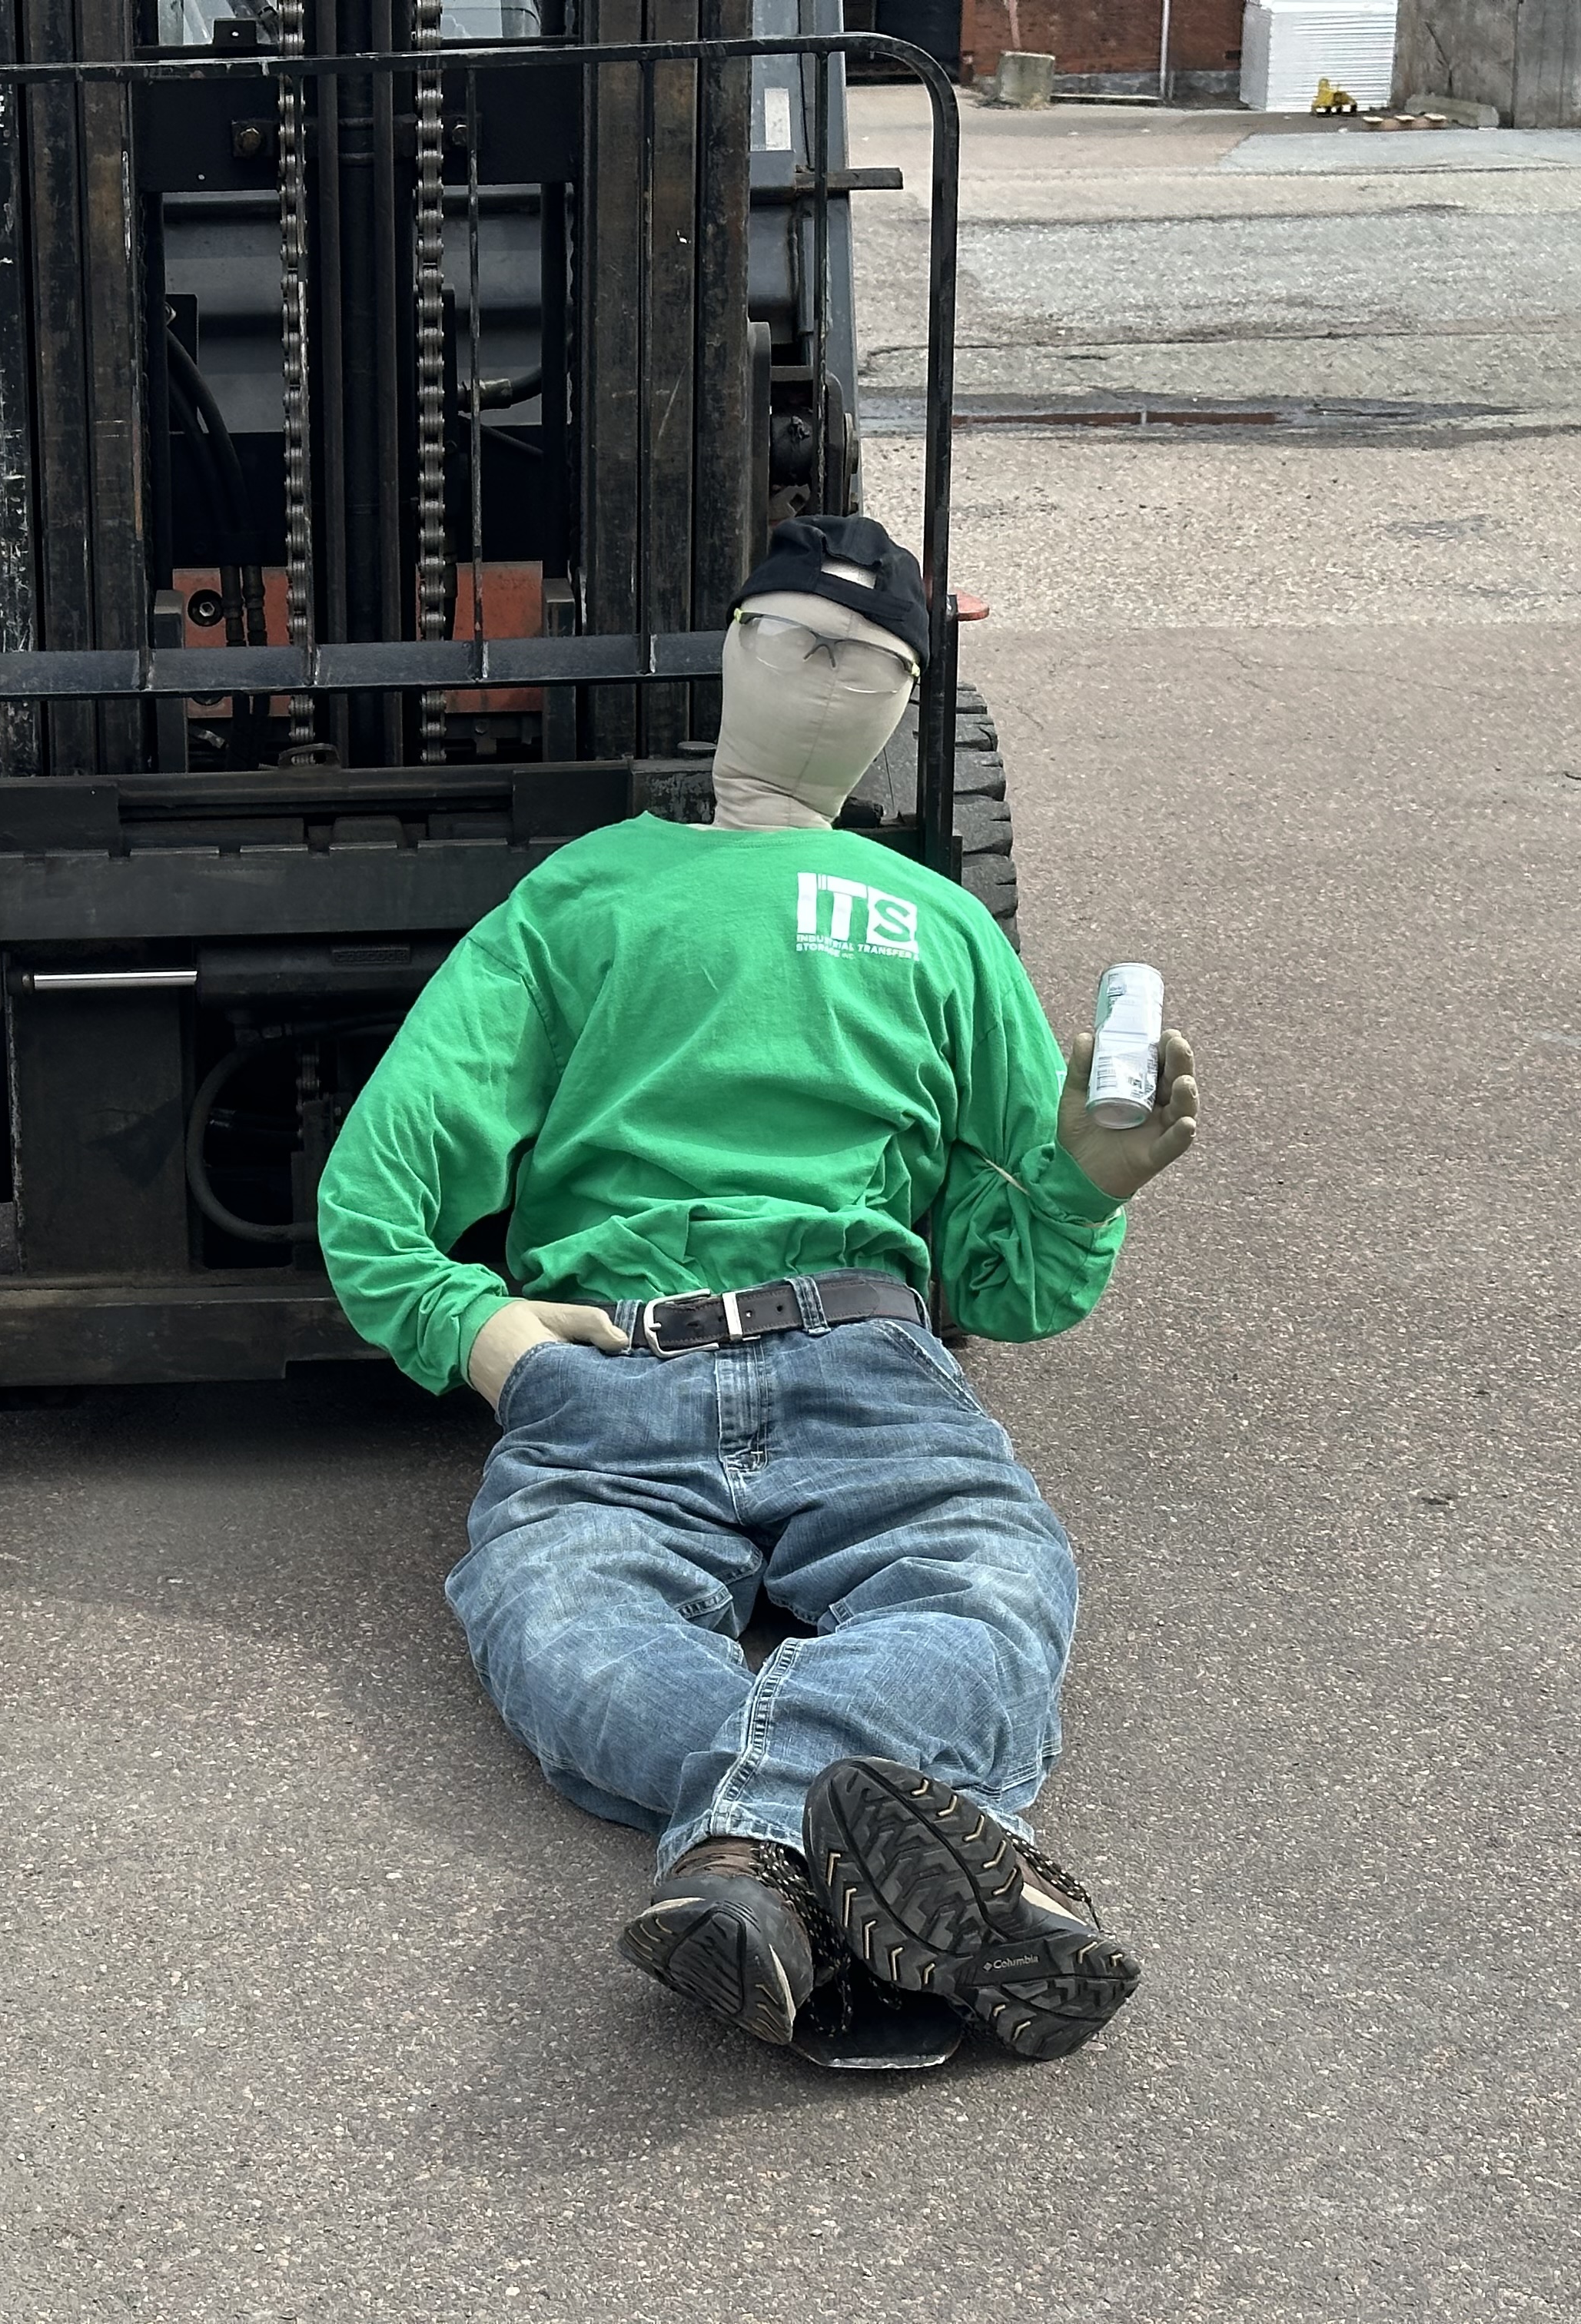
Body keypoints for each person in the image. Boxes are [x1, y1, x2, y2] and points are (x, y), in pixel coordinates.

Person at [315, 515, 1199, 2063]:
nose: (823, 673)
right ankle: (968, 1871)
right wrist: (494, 1340)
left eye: (864, 657)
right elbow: (377, 1196)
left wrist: (1084, 1185)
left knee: (997, 1587)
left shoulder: (940, 933)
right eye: (794, 638)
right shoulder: (584, 898)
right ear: (730, 653)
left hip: (865, 1357)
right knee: (571, 1635)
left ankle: (753, 1869)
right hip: (614, 1379)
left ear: (902, 702)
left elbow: (1008, 1278)